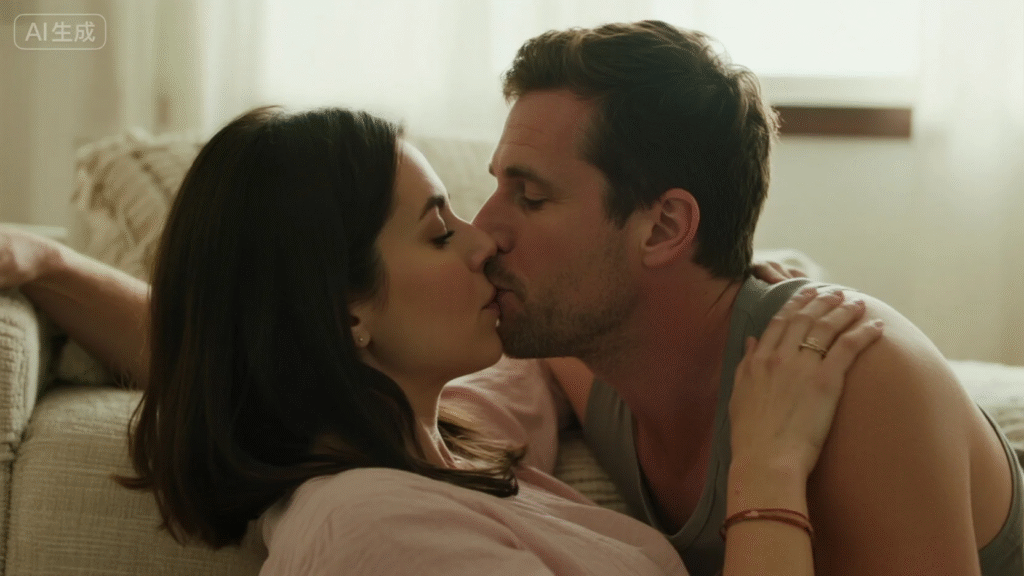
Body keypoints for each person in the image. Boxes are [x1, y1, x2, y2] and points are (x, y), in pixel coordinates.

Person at [0, 105, 883, 575]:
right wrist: (767, 475)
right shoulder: (375, 531)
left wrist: (49, 265)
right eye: (437, 230)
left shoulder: (444, 439)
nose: (483, 238)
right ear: (344, 315)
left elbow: (223, 351)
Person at [469, 19, 1023, 576]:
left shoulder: (860, 377)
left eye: (531, 197)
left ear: (664, 228)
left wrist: (766, 470)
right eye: (496, 187)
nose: (482, 229)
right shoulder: (599, 357)